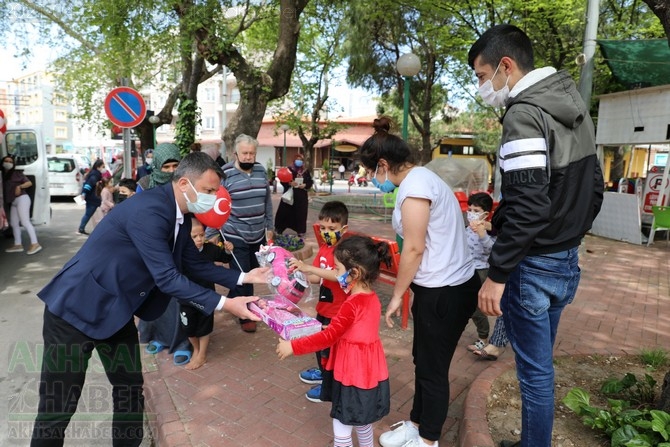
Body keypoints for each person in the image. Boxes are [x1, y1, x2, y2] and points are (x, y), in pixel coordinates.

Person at [30, 152, 270, 447]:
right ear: (185, 183)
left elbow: (192, 263)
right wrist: (226, 304)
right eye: (208, 191)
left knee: (130, 390)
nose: (211, 198)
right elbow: (167, 277)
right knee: (58, 404)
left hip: (116, 312)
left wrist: (245, 278)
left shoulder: (179, 215)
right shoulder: (151, 211)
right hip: (74, 309)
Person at [468, 24, 604, 447]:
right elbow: (593, 186)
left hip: (531, 265)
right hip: (566, 259)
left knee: (535, 373)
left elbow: (528, 204)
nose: (481, 85)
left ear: (505, 66)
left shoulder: (524, 113)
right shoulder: (571, 106)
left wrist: (498, 272)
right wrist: (569, 236)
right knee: (540, 366)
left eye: (480, 75)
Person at [361, 116, 480, 447]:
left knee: (433, 368)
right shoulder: (420, 180)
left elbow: (413, 247)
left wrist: (398, 295)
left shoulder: (415, 187)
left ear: (383, 164)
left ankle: (428, 440)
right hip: (442, 287)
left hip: (445, 291)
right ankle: (417, 423)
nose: (373, 179)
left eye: (373, 171)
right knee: (424, 360)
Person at [277, 235, 392, 447]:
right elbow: (359, 330)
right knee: (362, 421)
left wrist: (293, 345)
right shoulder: (372, 298)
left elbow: (327, 339)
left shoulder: (351, 303)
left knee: (342, 425)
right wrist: (333, 327)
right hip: (368, 371)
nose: (335, 274)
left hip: (351, 372)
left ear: (354, 273)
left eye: (338, 269)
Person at [207, 134, 274, 333]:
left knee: (250, 271)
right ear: (236, 152)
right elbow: (215, 205)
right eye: (244, 153)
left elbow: (267, 201)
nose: (248, 157)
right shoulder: (225, 173)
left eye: (251, 153)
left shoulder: (261, 170)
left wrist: (270, 226)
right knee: (246, 276)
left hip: (258, 234)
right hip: (234, 234)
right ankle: (246, 314)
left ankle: (232, 298)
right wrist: (212, 233)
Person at [288, 200, 349, 403]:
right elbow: (318, 277)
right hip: (324, 307)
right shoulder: (324, 249)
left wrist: (310, 269)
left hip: (337, 312)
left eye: (332, 228)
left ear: (344, 229)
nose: (326, 232)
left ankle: (328, 389)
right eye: (323, 228)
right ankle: (324, 374)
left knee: (330, 350)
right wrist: (301, 274)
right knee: (322, 346)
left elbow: (339, 276)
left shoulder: (344, 252)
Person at [135, 142, 190, 365]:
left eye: (175, 166)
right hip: (152, 249)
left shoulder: (186, 184)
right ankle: (157, 336)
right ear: (157, 165)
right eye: (165, 167)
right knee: (153, 295)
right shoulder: (145, 184)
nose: (170, 171)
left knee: (179, 297)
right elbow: (135, 215)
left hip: (180, 247)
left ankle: (182, 343)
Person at [180, 216, 234, 370]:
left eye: (202, 235)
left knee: (205, 325)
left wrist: (228, 250)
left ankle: (201, 354)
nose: (199, 239)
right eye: (194, 236)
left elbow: (223, 257)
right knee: (188, 326)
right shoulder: (181, 252)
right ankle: (196, 349)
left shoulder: (210, 248)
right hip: (185, 297)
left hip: (206, 295)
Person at [464, 192, 496, 354]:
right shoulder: (467, 227)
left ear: (486, 213)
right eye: (470, 209)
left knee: (476, 307)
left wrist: (482, 233)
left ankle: (483, 338)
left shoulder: (490, 230)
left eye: (476, 210)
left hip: (480, 270)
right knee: (460, 302)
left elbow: (491, 250)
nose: (471, 213)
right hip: (464, 268)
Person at [2, 155, 42, 255]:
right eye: (6, 161)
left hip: (22, 199)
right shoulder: (3, 175)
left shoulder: (16, 173)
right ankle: (18, 244)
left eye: (10, 161)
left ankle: (35, 243)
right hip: (14, 201)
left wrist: (19, 186)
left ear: (13, 164)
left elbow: (29, 183)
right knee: (14, 223)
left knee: (25, 222)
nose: (8, 163)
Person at [274, 153, 313, 238]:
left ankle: (300, 231)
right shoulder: (289, 169)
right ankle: (279, 229)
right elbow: (282, 180)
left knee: (301, 214)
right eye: (297, 159)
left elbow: (310, 182)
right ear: (294, 160)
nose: (299, 161)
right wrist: (289, 183)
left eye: (301, 160)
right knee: (284, 212)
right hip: (290, 195)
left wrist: (305, 185)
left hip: (301, 197)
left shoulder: (305, 171)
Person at [77, 159, 104, 235]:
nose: (103, 168)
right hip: (93, 198)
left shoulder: (93, 173)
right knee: (88, 214)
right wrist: (84, 193)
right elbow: (89, 184)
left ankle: (81, 228)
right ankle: (81, 228)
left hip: (92, 198)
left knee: (89, 214)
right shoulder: (95, 175)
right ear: (98, 167)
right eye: (102, 166)